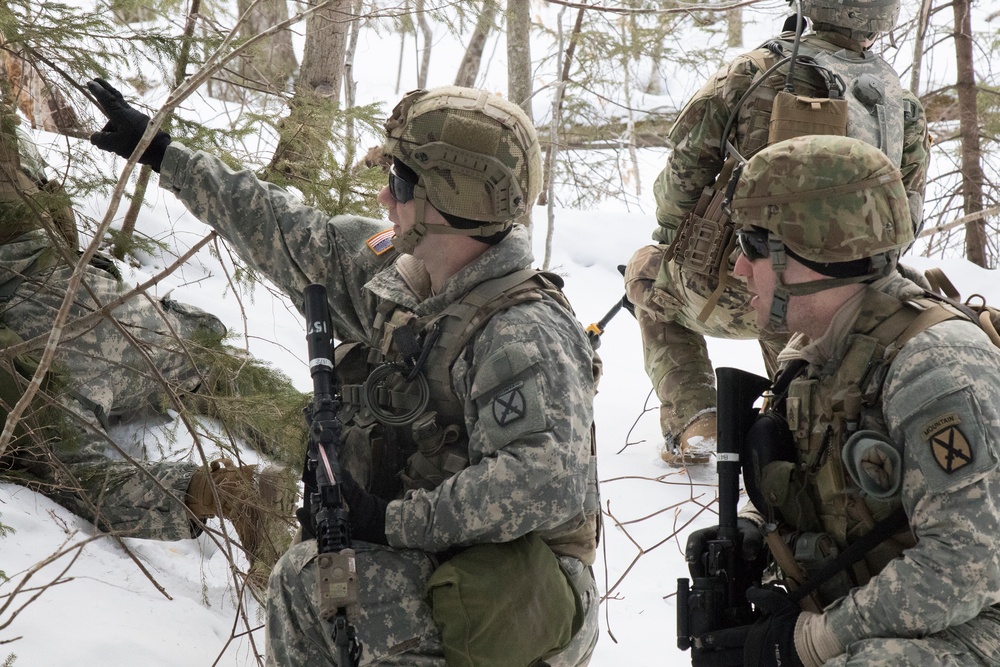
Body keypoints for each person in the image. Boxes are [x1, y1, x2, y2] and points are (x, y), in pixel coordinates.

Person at [86, 79, 602, 666]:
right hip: (426, 555)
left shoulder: (522, 332)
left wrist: (390, 521)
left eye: (401, 183)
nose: (385, 197)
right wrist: (163, 154)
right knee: (316, 580)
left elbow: (543, 485)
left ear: (450, 202)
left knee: (317, 581)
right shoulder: (403, 275)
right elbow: (284, 230)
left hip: (511, 593)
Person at [688, 134, 1000, 666]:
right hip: (884, 610)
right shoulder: (812, 356)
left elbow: (969, 562)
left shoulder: (935, 367)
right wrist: (753, 540)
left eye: (753, 248)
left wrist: (812, 641)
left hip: (976, 618)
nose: (741, 269)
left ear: (810, 254)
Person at [0, 104, 295, 595]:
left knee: (82, 478)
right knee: (202, 356)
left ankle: (228, 492)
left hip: (42, 353)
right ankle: (308, 433)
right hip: (99, 300)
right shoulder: (11, 140)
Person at [624, 0, 931, 465]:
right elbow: (906, 217)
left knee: (644, 270)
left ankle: (696, 418)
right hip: (845, 306)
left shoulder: (753, 72)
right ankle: (791, 423)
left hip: (736, 286)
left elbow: (678, 188)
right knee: (794, 302)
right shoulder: (897, 101)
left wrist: (677, 240)